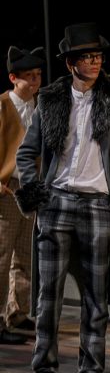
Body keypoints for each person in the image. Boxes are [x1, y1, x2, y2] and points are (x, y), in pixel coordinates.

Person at [14, 23, 110, 373]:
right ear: (71, 63)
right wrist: (38, 196)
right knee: (49, 293)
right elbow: (27, 152)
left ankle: (90, 370)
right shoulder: (51, 98)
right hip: (57, 202)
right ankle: (43, 369)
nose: (95, 62)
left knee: (95, 294)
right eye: (87, 57)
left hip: (99, 204)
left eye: (98, 56)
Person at [0, 46, 45, 345]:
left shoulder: (40, 107)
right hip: (7, 189)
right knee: (2, 255)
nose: (35, 81)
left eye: (38, 75)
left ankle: (17, 312)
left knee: (26, 254)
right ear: (13, 78)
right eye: (29, 76)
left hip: (31, 188)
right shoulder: (3, 106)